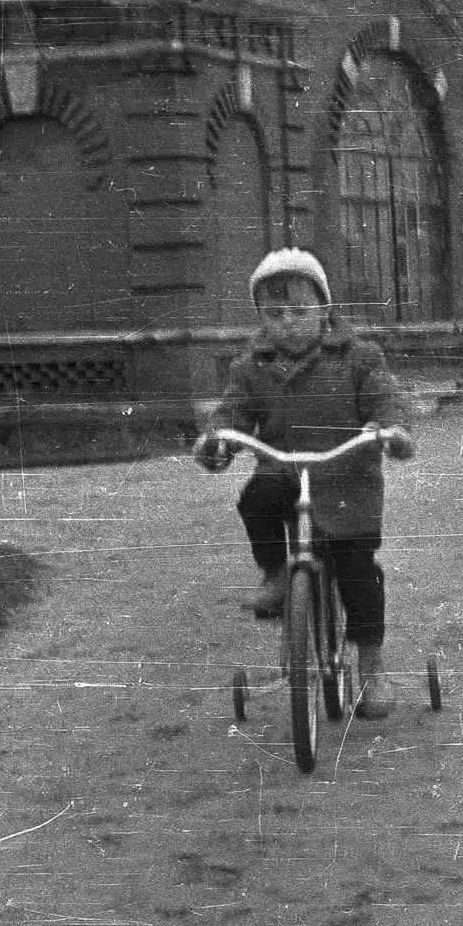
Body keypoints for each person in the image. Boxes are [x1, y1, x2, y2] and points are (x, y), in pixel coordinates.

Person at [195, 248, 417, 719]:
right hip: (284, 472)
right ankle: (277, 573)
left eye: (300, 311)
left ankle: (372, 668)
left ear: (325, 311)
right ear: (260, 319)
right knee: (255, 497)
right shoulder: (252, 366)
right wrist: (218, 441)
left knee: (359, 574)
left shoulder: (356, 358)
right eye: (274, 314)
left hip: (347, 480)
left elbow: (386, 397)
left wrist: (392, 429)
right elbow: (233, 412)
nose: (288, 323)